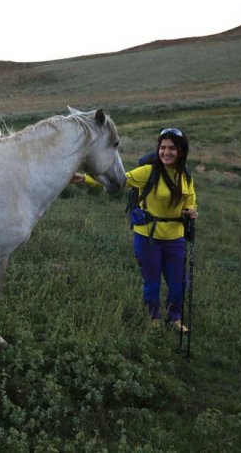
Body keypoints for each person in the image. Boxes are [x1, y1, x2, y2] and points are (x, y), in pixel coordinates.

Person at [71, 128, 198, 330]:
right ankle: (153, 319)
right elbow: (121, 180)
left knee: (179, 284)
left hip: (176, 237)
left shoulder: (186, 176)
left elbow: (190, 200)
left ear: (181, 151)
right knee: (152, 281)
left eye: (172, 148)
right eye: (163, 148)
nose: (166, 152)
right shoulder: (149, 172)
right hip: (148, 236)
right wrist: (84, 179)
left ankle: (174, 318)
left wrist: (192, 211)